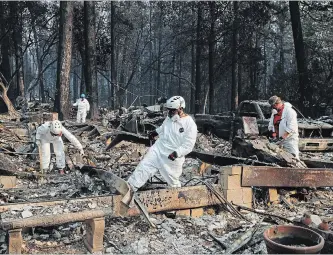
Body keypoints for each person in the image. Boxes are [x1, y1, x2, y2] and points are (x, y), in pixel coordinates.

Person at [128, 96, 197, 191]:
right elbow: (163, 128)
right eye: (169, 110)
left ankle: (176, 197)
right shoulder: (169, 119)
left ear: (180, 109)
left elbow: (188, 145)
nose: (170, 113)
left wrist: (177, 153)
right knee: (144, 166)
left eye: (173, 110)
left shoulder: (189, 124)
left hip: (172, 156)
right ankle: (129, 188)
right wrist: (155, 132)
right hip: (159, 149)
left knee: (173, 181)